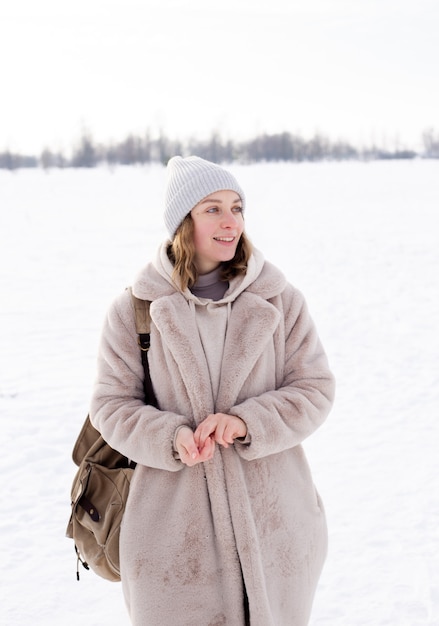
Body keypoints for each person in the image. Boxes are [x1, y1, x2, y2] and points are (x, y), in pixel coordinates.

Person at [90, 156, 335, 626]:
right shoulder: (133, 310)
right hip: (174, 542)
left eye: (237, 208)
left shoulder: (280, 301)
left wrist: (248, 422)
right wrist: (171, 437)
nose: (231, 222)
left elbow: (315, 388)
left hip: (276, 531)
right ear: (183, 222)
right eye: (212, 209)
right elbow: (110, 404)